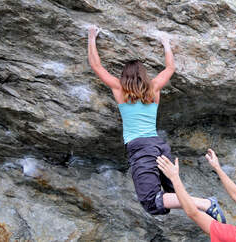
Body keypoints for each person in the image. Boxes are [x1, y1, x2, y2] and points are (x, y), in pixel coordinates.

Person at [87, 26, 226, 222]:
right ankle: (206, 210)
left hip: (141, 148)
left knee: (152, 201)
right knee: (173, 194)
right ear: (144, 75)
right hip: (159, 146)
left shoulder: (120, 89)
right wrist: (166, 43)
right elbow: (170, 68)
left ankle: (206, 204)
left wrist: (91, 36)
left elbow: (96, 66)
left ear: (124, 76)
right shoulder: (154, 88)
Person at [156, 149, 236, 241]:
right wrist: (217, 167)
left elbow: (193, 212)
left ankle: (209, 204)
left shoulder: (235, 237)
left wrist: (174, 177)